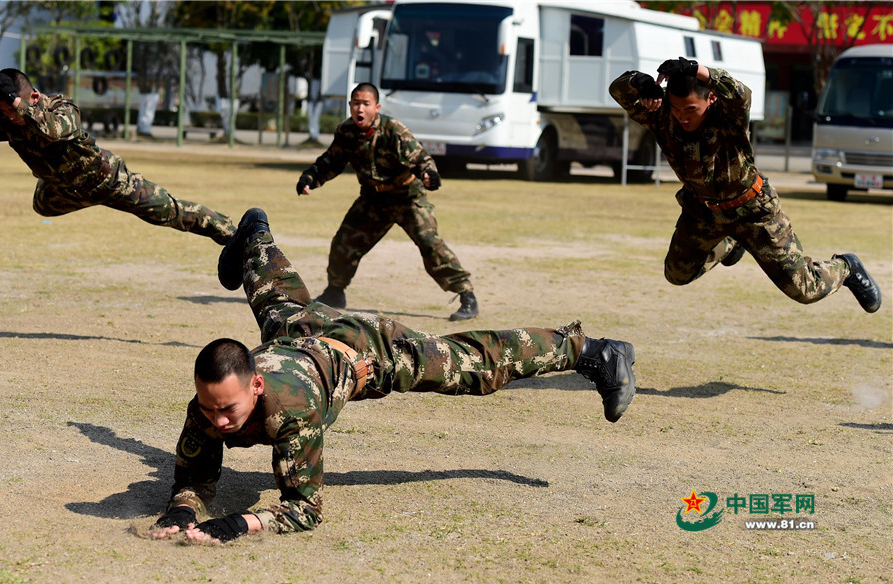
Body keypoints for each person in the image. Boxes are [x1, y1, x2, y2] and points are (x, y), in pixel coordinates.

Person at [148, 207, 636, 543]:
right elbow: (194, 475)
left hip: (364, 350)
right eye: (211, 408)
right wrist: (183, 509)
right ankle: (256, 238)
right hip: (293, 339)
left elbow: (303, 509)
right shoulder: (209, 404)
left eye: (228, 409)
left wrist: (240, 525)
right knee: (279, 303)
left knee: (471, 366)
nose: (220, 421)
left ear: (255, 386)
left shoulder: (292, 413)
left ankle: (594, 352)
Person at [608, 58, 881, 313]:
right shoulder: (662, 115)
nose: (683, 117)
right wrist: (641, 83)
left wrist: (698, 70)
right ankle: (729, 242)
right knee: (677, 274)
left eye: (691, 109)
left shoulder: (728, 117)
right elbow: (618, 89)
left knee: (805, 290)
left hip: (753, 211)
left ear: (711, 98)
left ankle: (847, 267)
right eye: (677, 109)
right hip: (703, 212)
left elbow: (741, 93)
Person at [0, 69, 235, 244]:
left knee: (168, 212)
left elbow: (54, 130)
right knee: (40, 205)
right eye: (5, 112)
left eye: (14, 110)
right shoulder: (8, 121)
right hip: (63, 190)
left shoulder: (60, 106)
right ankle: (61, 186)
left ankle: (231, 232)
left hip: (108, 180)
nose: (11, 118)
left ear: (35, 98)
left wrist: (18, 106)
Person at [294, 82, 479, 321]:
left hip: (406, 197)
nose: (360, 109)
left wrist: (429, 175)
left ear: (376, 107)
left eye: (366, 104)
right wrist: (310, 177)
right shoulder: (346, 132)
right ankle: (335, 293)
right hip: (373, 200)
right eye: (356, 103)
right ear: (350, 105)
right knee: (344, 242)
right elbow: (331, 161)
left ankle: (467, 296)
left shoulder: (394, 130)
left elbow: (420, 157)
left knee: (429, 243)